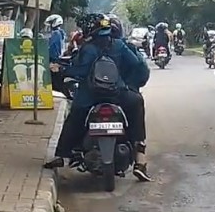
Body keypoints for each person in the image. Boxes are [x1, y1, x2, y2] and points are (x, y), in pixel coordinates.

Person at [44, 13, 152, 182]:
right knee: (137, 104)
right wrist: (127, 84)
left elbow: (78, 71)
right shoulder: (119, 45)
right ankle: (140, 159)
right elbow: (136, 65)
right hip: (118, 94)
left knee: (75, 119)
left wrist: (62, 70)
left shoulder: (88, 48)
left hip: (90, 97)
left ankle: (62, 156)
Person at [46, 14, 66, 94]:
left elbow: (50, 47)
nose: (50, 25)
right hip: (57, 59)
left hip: (53, 60)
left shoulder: (56, 33)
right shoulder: (60, 33)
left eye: (51, 23)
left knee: (53, 82)